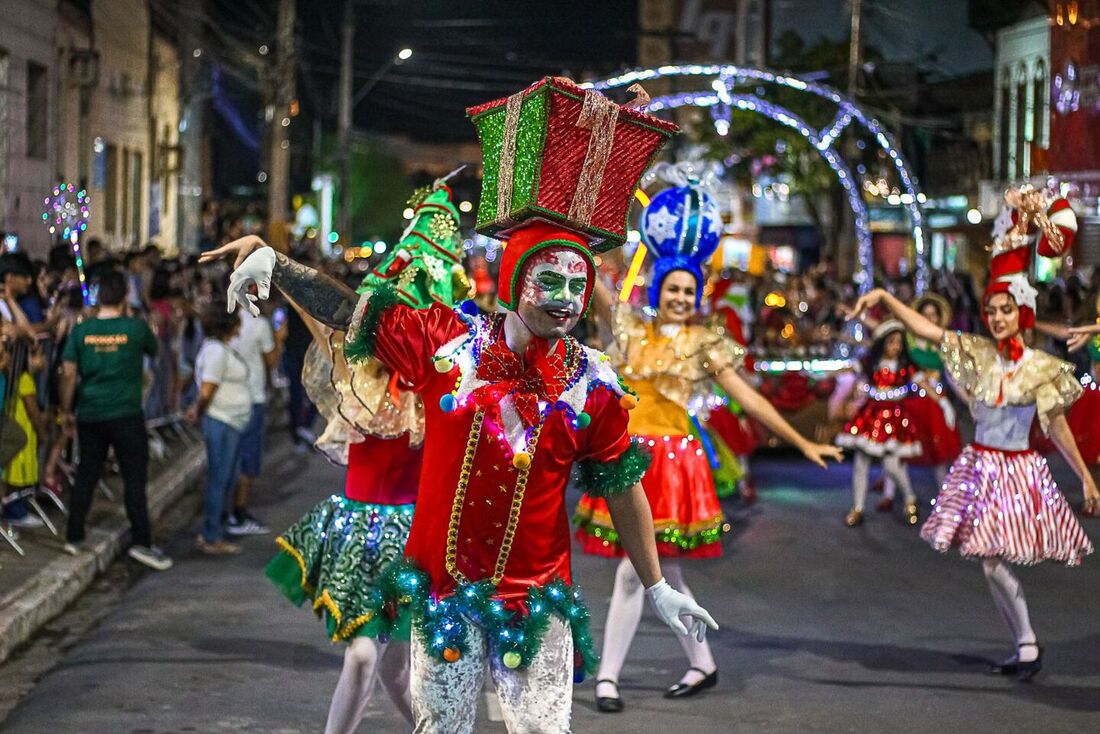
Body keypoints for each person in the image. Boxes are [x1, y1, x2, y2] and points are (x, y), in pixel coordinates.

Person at [201, 76, 717, 733]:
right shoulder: (445, 346)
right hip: (443, 600)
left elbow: (623, 487)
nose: (564, 298)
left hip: (538, 607)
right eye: (548, 280)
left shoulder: (593, 385)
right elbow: (353, 311)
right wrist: (278, 265)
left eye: (577, 285)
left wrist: (657, 585)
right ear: (511, 282)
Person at [575, 177, 840, 712]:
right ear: (658, 289)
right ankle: (703, 663)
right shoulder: (631, 331)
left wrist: (800, 442)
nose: (678, 297)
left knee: (635, 570)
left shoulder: (705, 343)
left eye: (686, 291)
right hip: (629, 461)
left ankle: (608, 677)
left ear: (697, 295)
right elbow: (595, 284)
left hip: (671, 465)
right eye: (671, 288)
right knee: (664, 574)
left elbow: (752, 399)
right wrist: (583, 211)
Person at [847, 185, 1098, 679]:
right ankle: (1025, 644)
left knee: (990, 563)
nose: (998, 318)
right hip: (981, 464)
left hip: (1018, 471)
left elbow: (1056, 424)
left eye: (1007, 310)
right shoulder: (979, 353)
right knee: (987, 564)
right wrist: (884, 299)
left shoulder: (1040, 367)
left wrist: (1086, 479)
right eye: (993, 310)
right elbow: (928, 330)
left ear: (1022, 314)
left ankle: (1027, 643)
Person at [265, 180, 466, 734]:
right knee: (362, 656)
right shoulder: (353, 370)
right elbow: (321, 307)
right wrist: (269, 260)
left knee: (399, 668)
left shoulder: (441, 384)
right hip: (360, 531)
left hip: (417, 535)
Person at [59, 269, 171, 571]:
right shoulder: (135, 328)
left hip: (90, 413)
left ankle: (74, 535)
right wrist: (152, 327)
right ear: (124, 297)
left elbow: (68, 373)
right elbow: (154, 349)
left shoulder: (82, 331)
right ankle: (142, 542)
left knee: (87, 475)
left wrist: (67, 410)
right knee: (134, 479)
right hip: (126, 414)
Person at [833, 320, 922, 526]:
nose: (896, 347)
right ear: (883, 343)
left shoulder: (905, 365)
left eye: (899, 343)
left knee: (892, 465)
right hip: (871, 417)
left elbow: (922, 381)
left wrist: (940, 398)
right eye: (892, 342)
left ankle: (910, 498)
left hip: (894, 418)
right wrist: (827, 375)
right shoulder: (870, 362)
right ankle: (858, 507)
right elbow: (849, 369)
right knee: (860, 462)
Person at [187, 305, 253, 555]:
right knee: (219, 478)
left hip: (231, 421)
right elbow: (207, 388)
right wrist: (199, 408)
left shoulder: (223, 349)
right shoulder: (215, 352)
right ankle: (211, 534)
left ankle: (215, 529)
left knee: (227, 476)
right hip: (220, 420)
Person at [226, 303, 278, 536]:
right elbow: (272, 361)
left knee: (227, 459)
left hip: (224, 402)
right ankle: (238, 513)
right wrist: (281, 339)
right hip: (252, 398)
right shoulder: (260, 325)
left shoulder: (223, 323)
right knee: (247, 460)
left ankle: (223, 512)